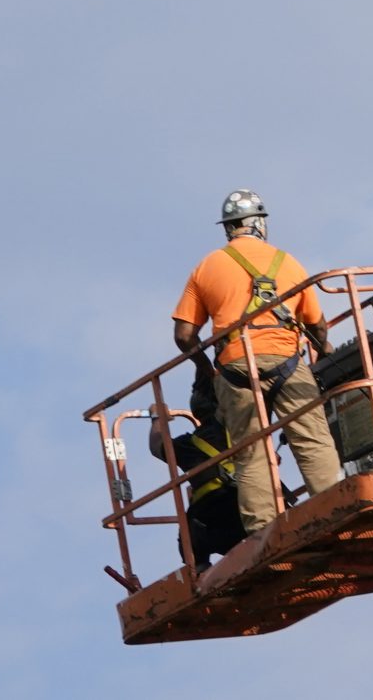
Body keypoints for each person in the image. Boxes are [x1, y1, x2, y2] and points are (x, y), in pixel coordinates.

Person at [170, 190, 340, 535]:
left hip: (234, 369)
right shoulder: (288, 262)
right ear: (260, 223)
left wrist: (208, 369)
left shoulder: (207, 266)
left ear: (228, 228)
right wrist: (324, 349)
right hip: (288, 362)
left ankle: (262, 530)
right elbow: (317, 324)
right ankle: (333, 510)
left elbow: (184, 335)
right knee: (312, 440)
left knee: (251, 451)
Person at [146, 366, 243, 567]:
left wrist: (158, 418)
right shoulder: (243, 426)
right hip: (251, 516)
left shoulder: (188, 444)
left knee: (191, 523)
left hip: (212, 525)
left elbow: (158, 446)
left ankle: (198, 568)